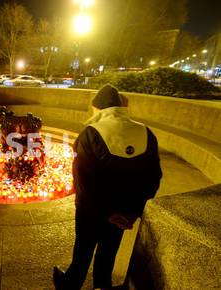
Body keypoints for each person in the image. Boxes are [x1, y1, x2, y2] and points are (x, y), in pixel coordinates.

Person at [53, 84, 162, 290]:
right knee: (108, 253)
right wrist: (132, 212)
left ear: (98, 108)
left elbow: (83, 181)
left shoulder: (91, 133)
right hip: (124, 212)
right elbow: (153, 178)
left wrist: (106, 213)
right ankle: (102, 285)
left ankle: (70, 284)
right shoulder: (145, 133)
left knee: (83, 250)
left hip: (91, 212)